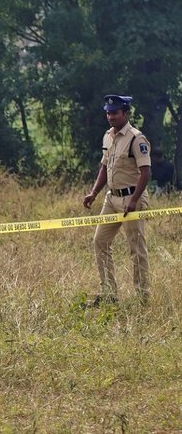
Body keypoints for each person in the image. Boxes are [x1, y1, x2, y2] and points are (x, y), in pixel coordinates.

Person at [81, 94, 152, 306]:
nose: (110, 116)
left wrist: (134, 200)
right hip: (111, 199)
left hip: (132, 199)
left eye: (114, 113)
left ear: (125, 113)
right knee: (100, 241)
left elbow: (146, 172)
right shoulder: (108, 136)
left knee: (136, 248)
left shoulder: (136, 138)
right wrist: (94, 193)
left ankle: (142, 296)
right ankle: (109, 294)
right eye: (108, 113)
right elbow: (105, 167)